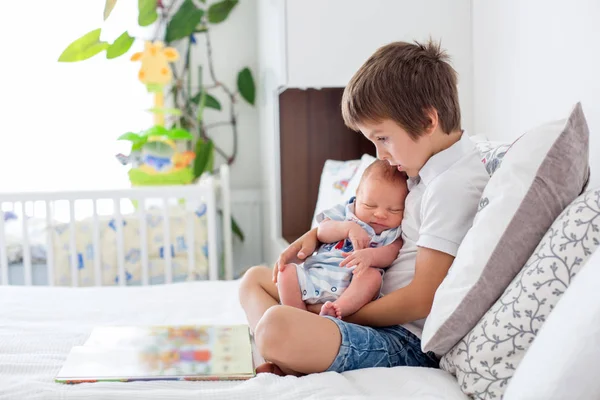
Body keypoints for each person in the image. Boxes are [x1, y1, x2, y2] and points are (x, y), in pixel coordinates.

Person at [239, 39, 490, 376]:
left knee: (276, 327)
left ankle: (285, 352)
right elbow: (358, 219)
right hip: (358, 300)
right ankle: (283, 358)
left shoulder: (452, 185)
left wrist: (341, 313)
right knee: (253, 280)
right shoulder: (421, 167)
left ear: (428, 121)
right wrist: (314, 236)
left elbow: (423, 298)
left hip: (400, 336)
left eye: (382, 138)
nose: (379, 155)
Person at [277, 160, 407, 319]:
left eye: (394, 210)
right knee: (286, 272)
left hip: (351, 285)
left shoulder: (392, 232)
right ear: (357, 195)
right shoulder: (345, 213)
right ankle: (298, 315)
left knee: (372, 277)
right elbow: (322, 232)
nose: (380, 214)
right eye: (370, 205)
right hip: (315, 276)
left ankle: (337, 310)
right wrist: (346, 228)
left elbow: (391, 253)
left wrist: (370, 256)